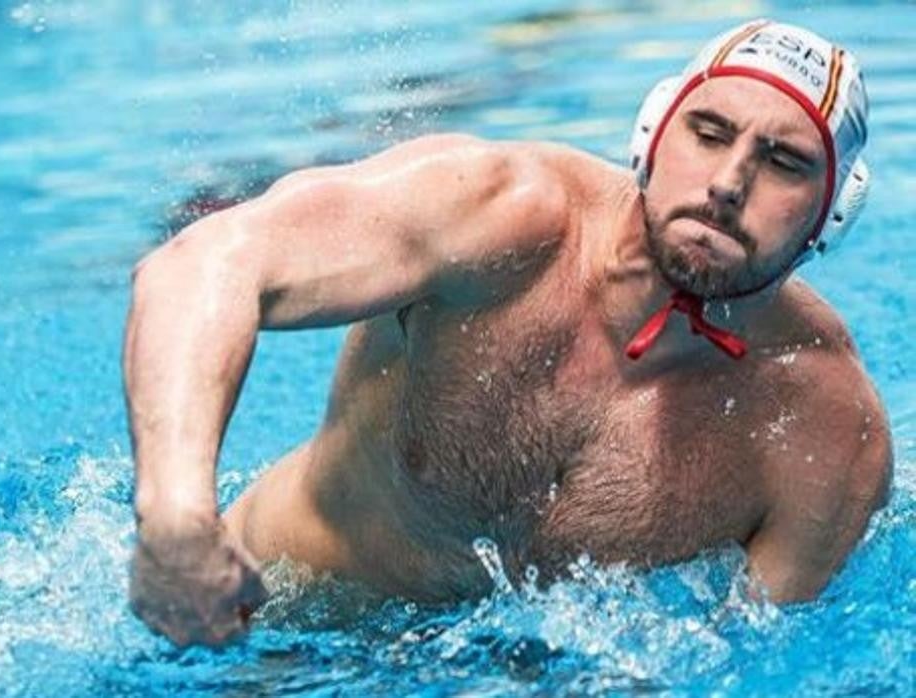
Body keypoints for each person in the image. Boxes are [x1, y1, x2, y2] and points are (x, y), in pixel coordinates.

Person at [122, 19, 894, 647]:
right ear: (655, 134)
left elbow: (760, 661)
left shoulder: (826, 428)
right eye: (709, 132)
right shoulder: (501, 217)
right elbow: (202, 263)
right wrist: (176, 517)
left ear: (833, 211)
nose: (728, 183)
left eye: (784, 161)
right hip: (247, 633)